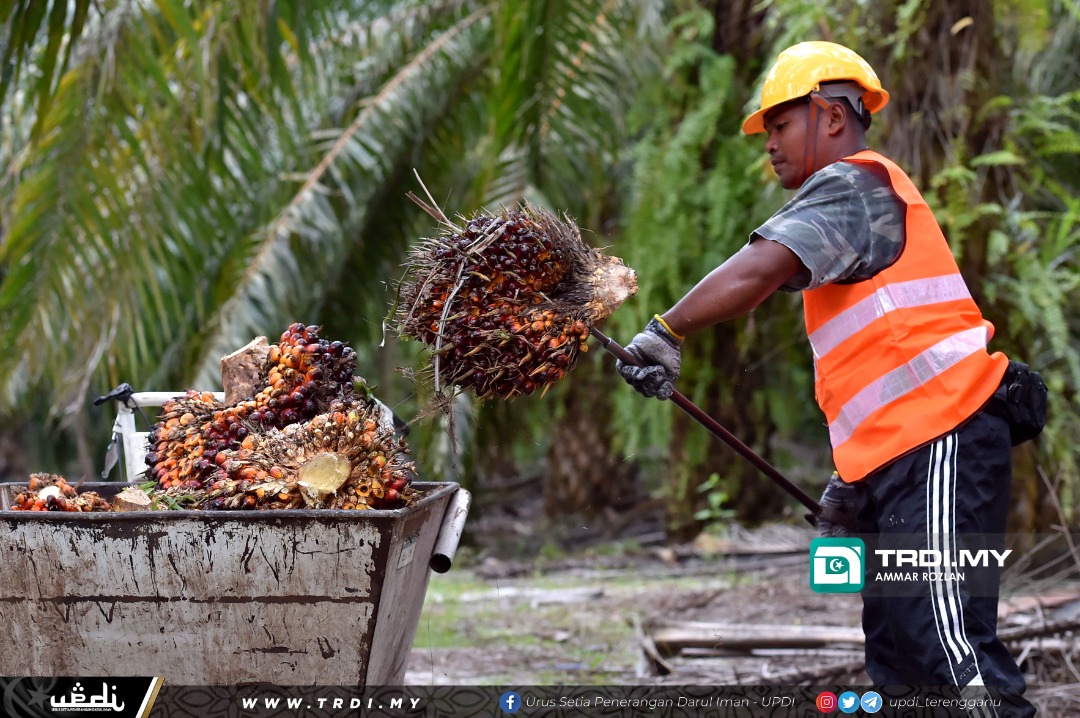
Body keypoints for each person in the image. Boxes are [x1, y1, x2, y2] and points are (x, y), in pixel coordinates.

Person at [616, 40, 1035, 716]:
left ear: (832, 117)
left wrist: (668, 331)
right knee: (900, 657)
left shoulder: (856, 184)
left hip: (942, 439)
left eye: (780, 124)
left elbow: (759, 269)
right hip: (908, 456)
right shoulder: (851, 212)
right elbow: (883, 364)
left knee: (945, 651)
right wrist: (853, 480)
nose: (769, 144)